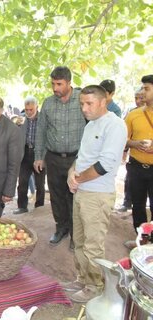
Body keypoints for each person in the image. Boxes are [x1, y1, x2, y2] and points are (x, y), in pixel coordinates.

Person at [64, 85, 126, 303]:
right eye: (82, 103)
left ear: (103, 102)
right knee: (79, 241)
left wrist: (78, 179)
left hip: (98, 196)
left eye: (89, 103)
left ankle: (95, 287)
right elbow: (82, 158)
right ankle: (82, 279)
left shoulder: (115, 125)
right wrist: (72, 173)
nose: (84, 108)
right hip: (82, 192)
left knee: (93, 245)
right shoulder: (90, 125)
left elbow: (106, 164)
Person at [34, 66, 86, 249]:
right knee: (56, 197)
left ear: (69, 83)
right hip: (53, 159)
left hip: (77, 160)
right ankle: (61, 228)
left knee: (74, 197)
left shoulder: (82, 100)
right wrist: (39, 156)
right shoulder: (48, 103)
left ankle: (75, 235)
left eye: (59, 84)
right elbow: (40, 131)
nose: (55, 88)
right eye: (53, 84)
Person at [124, 75, 153, 232]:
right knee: (138, 206)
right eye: (142, 88)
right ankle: (141, 240)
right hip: (136, 168)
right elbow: (123, 139)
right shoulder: (133, 115)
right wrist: (134, 143)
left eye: (146, 88)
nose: (142, 92)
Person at [14, 96, 46, 214]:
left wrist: (43, 157)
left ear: (37, 107)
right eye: (26, 109)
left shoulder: (44, 119)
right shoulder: (21, 119)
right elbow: (16, 137)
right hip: (25, 153)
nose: (28, 112)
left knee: (39, 184)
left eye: (31, 110)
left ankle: (39, 207)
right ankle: (22, 206)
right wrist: (16, 126)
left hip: (39, 154)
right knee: (22, 182)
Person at [118, 89, 146, 213]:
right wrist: (124, 151)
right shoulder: (132, 114)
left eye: (141, 98)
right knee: (130, 181)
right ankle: (127, 202)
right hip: (135, 159)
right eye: (136, 98)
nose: (138, 101)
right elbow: (124, 136)